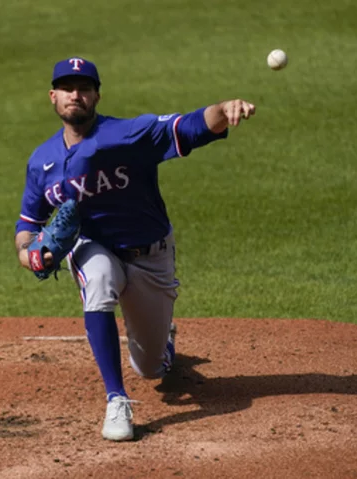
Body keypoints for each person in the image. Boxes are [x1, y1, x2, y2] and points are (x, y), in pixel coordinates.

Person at [14, 57, 255, 441]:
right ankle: (116, 399)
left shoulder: (128, 134)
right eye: (67, 87)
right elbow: (27, 225)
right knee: (97, 279)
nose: (76, 94)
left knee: (152, 370)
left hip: (150, 254)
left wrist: (223, 110)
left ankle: (164, 344)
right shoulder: (41, 161)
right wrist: (29, 254)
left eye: (84, 87)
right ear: (53, 96)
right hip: (95, 247)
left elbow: (188, 126)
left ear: (96, 95)